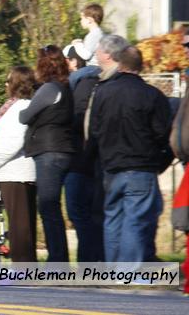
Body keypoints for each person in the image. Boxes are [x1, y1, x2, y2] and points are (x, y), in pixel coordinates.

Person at [88, 35, 173, 264]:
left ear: (120, 63)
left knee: (113, 218)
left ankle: (113, 267)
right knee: (136, 219)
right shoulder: (152, 95)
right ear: (140, 66)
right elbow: (162, 134)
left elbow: (94, 131)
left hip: (111, 166)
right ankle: (130, 269)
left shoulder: (103, 92)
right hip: (141, 166)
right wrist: (158, 161)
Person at [19, 45, 73, 263]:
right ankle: (59, 260)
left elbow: (25, 115)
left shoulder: (49, 89)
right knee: (53, 208)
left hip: (50, 152)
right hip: (61, 150)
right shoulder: (64, 87)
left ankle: (57, 262)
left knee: (49, 207)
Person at [0, 66, 38, 263]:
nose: (6, 84)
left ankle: (24, 268)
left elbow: (13, 141)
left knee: (20, 226)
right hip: (13, 173)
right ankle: (25, 266)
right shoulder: (15, 106)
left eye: (9, 81)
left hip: (16, 173)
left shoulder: (21, 107)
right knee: (19, 224)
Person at [62, 43, 104, 263]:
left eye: (67, 60)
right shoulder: (93, 82)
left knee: (79, 212)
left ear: (75, 61)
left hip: (80, 160)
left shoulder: (83, 84)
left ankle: (88, 264)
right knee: (89, 214)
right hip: (90, 160)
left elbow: (79, 121)